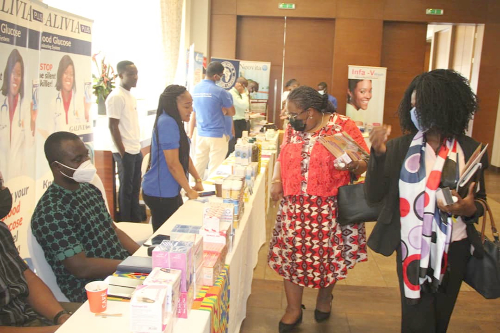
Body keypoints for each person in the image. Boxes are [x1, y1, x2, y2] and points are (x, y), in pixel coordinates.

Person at [365, 69, 488, 333]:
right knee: (415, 318)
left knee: (440, 318)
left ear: (444, 106)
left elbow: (479, 201)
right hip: (411, 246)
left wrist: (470, 208)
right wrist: (377, 156)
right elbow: (373, 196)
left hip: (454, 247)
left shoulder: (470, 149)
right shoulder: (399, 148)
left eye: (421, 106)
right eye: (412, 106)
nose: (415, 112)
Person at [268, 86, 369, 332]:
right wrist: (276, 180)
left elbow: (365, 163)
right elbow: (283, 153)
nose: (289, 118)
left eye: (293, 113)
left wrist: (354, 164)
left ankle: (325, 298)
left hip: (329, 207)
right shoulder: (295, 126)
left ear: (310, 112)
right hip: (294, 205)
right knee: (292, 257)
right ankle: (293, 308)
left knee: (329, 258)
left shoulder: (342, 126)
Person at [31, 132, 140, 303]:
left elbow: (113, 229)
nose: (85, 163)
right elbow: (81, 267)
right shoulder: (50, 212)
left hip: (122, 273)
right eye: (77, 159)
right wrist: (132, 265)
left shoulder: (89, 190)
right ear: (57, 167)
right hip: (93, 289)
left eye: (86, 156)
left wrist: (142, 258)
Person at [0, 176, 76, 331]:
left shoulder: (1, 231)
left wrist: (60, 316)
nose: (3, 190)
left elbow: (27, 278)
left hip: (31, 318)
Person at [142, 85, 204, 232]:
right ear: (173, 104)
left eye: (191, 106)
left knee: (175, 233)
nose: (191, 111)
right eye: (187, 106)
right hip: (160, 192)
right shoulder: (167, 122)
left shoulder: (175, 121)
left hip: (169, 190)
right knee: (164, 238)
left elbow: (183, 156)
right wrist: (188, 190)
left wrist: (198, 179)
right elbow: (173, 164)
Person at [107, 60, 143, 222]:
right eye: (130, 74)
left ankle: (135, 220)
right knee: (126, 189)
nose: (135, 77)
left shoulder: (130, 96)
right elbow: (113, 126)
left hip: (135, 149)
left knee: (135, 188)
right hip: (125, 151)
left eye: (136, 73)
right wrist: (123, 153)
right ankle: (126, 222)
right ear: (120, 75)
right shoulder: (116, 97)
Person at [192, 61, 235, 180]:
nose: (221, 78)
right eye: (221, 76)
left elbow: (194, 112)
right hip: (217, 133)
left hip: (201, 133)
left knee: (198, 164)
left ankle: (194, 188)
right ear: (216, 76)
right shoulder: (220, 91)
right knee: (215, 169)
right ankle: (211, 193)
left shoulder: (195, 89)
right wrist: (224, 110)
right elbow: (232, 112)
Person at [0, 49, 36, 182]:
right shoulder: (1, 104)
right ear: (6, 74)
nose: (15, 77)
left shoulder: (25, 106)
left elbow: (28, 145)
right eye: (12, 72)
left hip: (19, 176)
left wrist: (32, 121)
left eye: (19, 74)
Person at [52, 55, 91, 130]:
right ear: (60, 75)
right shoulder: (53, 103)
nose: (68, 77)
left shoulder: (80, 102)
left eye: (71, 74)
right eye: (65, 73)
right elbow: (49, 132)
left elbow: (86, 128)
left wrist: (86, 112)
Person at [227, 77, 249, 155]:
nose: (245, 90)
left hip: (241, 121)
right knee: (236, 145)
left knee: (242, 143)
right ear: (240, 85)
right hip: (236, 122)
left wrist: (244, 92)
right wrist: (243, 93)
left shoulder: (238, 93)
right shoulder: (232, 93)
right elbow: (244, 105)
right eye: (244, 87)